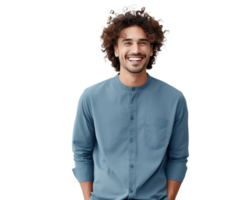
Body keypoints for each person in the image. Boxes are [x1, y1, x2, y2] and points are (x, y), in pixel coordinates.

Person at [71, 3, 189, 200]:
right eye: (127, 42)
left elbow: (178, 156)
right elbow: (82, 152)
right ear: (115, 49)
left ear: (152, 50)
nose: (136, 49)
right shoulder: (91, 97)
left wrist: (169, 198)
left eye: (143, 42)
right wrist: (85, 198)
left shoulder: (174, 100)